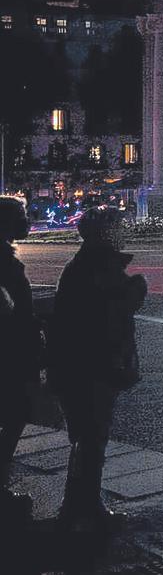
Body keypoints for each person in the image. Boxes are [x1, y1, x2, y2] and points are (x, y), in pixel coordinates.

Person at [48, 206, 146, 532]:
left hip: (75, 366)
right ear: (106, 232)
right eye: (120, 226)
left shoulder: (83, 264)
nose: (126, 231)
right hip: (92, 367)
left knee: (85, 439)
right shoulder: (99, 266)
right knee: (91, 439)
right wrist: (137, 288)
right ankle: (83, 508)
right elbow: (109, 314)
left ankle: (80, 505)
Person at [0, 197, 38, 505]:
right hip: (10, 353)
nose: (26, 221)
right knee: (14, 414)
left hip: (13, 350)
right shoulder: (4, 263)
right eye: (21, 216)